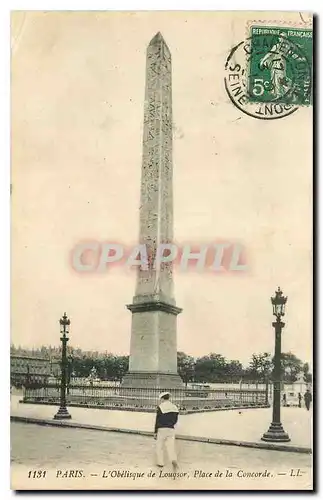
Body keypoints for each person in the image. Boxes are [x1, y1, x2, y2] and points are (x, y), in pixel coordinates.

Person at [154, 391, 179, 469]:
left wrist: (155, 431)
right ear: (168, 398)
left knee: (159, 446)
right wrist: (171, 424)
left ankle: (160, 462)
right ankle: (173, 459)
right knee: (170, 446)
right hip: (171, 429)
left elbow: (157, 420)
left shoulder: (161, 407)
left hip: (162, 429)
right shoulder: (174, 407)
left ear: (162, 398)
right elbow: (176, 420)